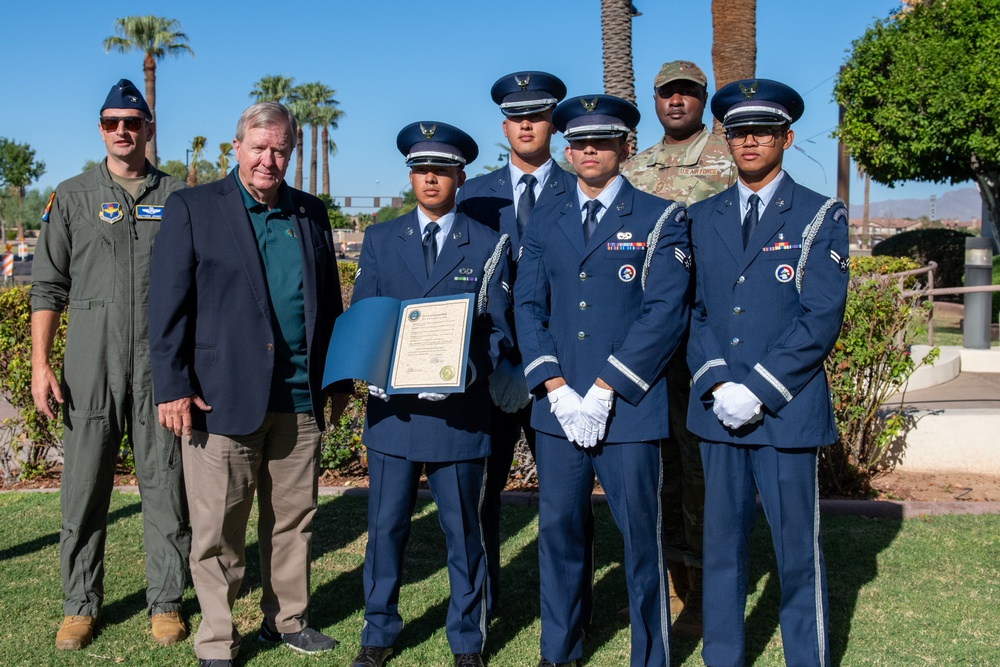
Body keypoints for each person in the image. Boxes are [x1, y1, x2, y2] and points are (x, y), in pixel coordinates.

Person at [148, 101, 348, 667]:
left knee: (294, 519)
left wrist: (334, 380)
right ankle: (216, 637)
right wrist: (171, 386)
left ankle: (286, 621)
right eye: (258, 148)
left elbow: (327, 301)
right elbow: (166, 308)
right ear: (236, 148)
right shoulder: (192, 207)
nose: (268, 159)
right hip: (219, 396)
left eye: (279, 149)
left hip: (298, 396)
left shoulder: (309, 211)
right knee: (219, 530)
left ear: (291, 151)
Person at [514, 95, 692, 667]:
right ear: (568, 150)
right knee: (559, 534)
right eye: (579, 142)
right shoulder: (545, 221)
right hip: (558, 409)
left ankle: (651, 655)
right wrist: (554, 386)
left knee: (641, 539)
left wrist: (609, 385)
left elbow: (665, 311)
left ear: (625, 147)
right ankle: (558, 651)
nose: (588, 150)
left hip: (630, 409)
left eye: (602, 140)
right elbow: (528, 306)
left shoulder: (660, 218)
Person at [686, 79, 849, 667]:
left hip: (786, 411)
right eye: (737, 132)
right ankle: (723, 657)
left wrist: (756, 389)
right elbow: (695, 313)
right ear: (726, 140)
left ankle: (807, 658)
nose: (749, 141)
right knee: (722, 548)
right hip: (718, 412)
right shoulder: (701, 217)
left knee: (795, 552)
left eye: (761, 131)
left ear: (787, 136)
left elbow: (821, 316)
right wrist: (718, 385)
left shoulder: (818, 214)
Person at [30, 78, 190, 651]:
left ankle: (167, 601)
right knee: (82, 487)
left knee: (166, 483)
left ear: (148, 128)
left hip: (159, 364)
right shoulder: (71, 196)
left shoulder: (179, 197)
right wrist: (40, 364)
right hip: (89, 362)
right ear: (100, 130)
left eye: (132, 121)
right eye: (111, 122)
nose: (122, 131)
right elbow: (47, 288)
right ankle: (79, 604)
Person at [347, 122, 512, 667]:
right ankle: (378, 632)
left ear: (461, 176)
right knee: (385, 527)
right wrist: (370, 367)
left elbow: (501, 329)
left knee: (463, 532)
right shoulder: (379, 238)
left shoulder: (490, 244)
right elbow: (366, 313)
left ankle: (467, 639)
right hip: (392, 412)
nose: (431, 179)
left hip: (458, 414)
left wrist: (467, 371)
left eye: (441, 170)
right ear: (411, 176)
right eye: (421, 170)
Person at [455, 71, 583, 621]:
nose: (527, 124)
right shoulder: (475, 195)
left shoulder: (580, 185)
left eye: (537, 114)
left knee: (566, 499)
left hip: (563, 368)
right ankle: (483, 614)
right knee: (482, 495)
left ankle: (569, 620)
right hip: (492, 368)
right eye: (517, 116)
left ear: (552, 122)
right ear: (504, 125)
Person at [618, 60, 736, 637]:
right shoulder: (634, 168)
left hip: (701, 336)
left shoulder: (727, 161)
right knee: (650, 459)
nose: (677, 102)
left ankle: (705, 591)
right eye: (667, 94)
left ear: (702, 99)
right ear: (655, 99)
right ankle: (661, 583)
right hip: (643, 338)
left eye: (688, 93)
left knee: (701, 464)